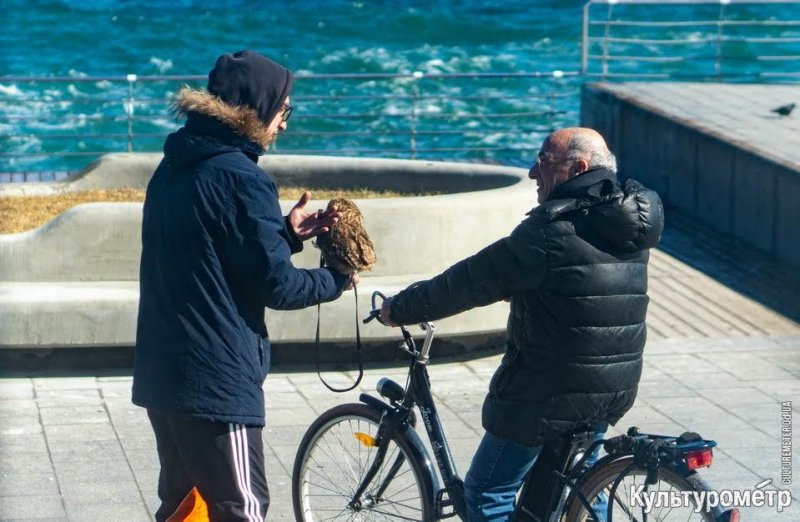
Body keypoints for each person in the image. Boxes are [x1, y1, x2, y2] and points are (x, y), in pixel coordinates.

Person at [381, 127, 664, 521]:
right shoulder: (626, 222)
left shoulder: (550, 230)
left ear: (577, 168)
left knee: (486, 494)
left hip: (546, 393)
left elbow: (468, 282)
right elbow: (582, 286)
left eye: (544, 161)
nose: (533, 172)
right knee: (581, 489)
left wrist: (402, 307)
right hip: (611, 385)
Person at [132, 50, 356, 522]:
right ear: (258, 109)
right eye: (284, 112)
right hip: (214, 382)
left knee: (184, 506)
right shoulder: (241, 178)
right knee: (243, 509)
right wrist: (336, 278)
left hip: (163, 374)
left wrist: (286, 235)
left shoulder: (174, 166)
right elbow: (278, 286)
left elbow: (213, 254)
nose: (285, 125)